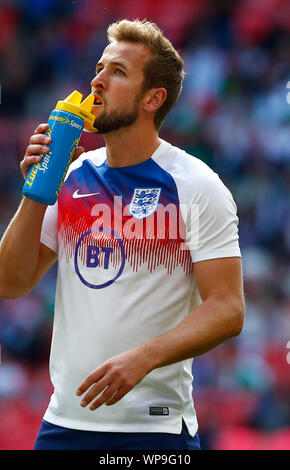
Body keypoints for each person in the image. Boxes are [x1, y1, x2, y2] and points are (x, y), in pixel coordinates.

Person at [0, 19, 245, 450]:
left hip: (153, 431)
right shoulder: (72, 175)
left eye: (117, 72)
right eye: (99, 67)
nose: (97, 80)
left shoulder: (196, 185)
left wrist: (144, 358)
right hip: (63, 424)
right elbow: (11, 282)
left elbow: (228, 309)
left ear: (154, 98)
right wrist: (37, 190)